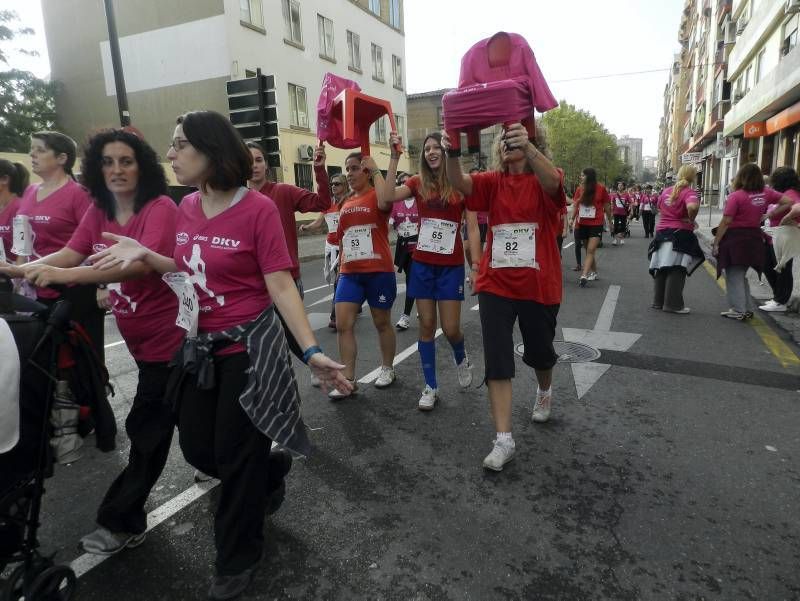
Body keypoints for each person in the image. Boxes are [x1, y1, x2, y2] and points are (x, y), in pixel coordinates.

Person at [88, 111, 351, 599]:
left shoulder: (257, 210)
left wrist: (311, 350)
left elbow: (278, 283)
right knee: (198, 450)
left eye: (180, 144)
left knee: (233, 453)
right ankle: (269, 470)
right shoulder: (185, 206)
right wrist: (143, 255)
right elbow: (187, 268)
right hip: (197, 347)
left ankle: (236, 557)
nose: (171, 154)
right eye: (171, 144)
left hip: (248, 347)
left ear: (212, 150)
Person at [10, 129, 184, 554]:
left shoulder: (159, 207)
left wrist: (67, 278)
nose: (117, 169)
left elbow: (136, 269)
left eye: (126, 161)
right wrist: (15, 271)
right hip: (142, 345)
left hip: (177, 343)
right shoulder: (99, 209)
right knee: (204, 444)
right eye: (107, 162)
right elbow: (71, 251)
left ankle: (120, 521)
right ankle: (263, 470)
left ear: (141, 165)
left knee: (148, 432)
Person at [445, 122, 565, 471]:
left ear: (534, 143)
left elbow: (555, 185)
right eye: (506, 139)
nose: (509, 143)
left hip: (538, 285)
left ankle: (544, 389)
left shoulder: (546, 177)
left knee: (541, 353)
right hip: (496, 283)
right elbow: (459, 183)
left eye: (518, 138)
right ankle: (503, 439)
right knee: (497, 357)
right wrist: (453, 149)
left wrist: (527, 147)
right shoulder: (491, 182)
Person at [379, 132, 475, 411]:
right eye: (427, 149)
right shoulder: (416, 182)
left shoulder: (459, 184)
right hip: (422, 264)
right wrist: (394, 156)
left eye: (437, 148)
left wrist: (476, 265)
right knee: (426, 325)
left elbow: (471, 226)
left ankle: (461, 356)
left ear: (446, 153)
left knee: (452, 328)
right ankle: (431, 386)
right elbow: (386, 198)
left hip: (451, 266)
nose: (431, 152)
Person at [13, 131, 105, 359]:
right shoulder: (30, 191)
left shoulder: (79, 194)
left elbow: (98, 240)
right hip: (36, 286)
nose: (32, 154)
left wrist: (104, 285)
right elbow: (22, 239)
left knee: (82, 355)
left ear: (62, 158)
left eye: (40, 150)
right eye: (31, 149)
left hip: (74, 289)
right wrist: (18, 273)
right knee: (43, 355)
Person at [246, 141, 331, 357]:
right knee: (264, 345)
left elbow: (322, 203)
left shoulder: (282, 192)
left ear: (267, 165)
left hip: (286, 279)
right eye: (248, 160)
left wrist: (319, 170)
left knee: (292, 336)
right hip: (252, 284)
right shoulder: (236, 199)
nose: (254, 165)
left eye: (259, 160)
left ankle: (317, 364)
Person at [329, 152, 398, 399]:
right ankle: (348, 379)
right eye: (347, 169)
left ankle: (388, 368)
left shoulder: (377, 195)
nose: (349, 173)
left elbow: (386, 204)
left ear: (366, 171)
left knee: (381, 323)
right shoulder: (344, 202)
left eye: (355, 168)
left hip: (378, 271)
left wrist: (378, 168)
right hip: (349, 273)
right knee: (343, 324)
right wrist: (338, 268)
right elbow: (342, 237)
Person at [712, 163, 793, 321]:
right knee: (741, 274)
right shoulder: (766, 192)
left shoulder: (736, 196)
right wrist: (769, 214)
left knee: (734, 274)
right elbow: (788, 201)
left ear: (741, 177)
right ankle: (746, 308)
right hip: (755, 239)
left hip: (736, 239)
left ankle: (738, 309)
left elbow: (726, 221)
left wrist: (716, 242)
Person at [647, 165, 705, 314]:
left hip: (661, 233)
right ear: (693, 177)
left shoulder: (666, 191)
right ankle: (673, 304)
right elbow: (692, 206)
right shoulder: (689, 192)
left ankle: (658, 302)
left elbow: (659, 208)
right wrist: (691, 219)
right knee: (677, 268)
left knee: (661, 267)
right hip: (680, 234)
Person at [299, 173, 350, 329]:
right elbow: (319, 222)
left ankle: (335, 316)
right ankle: (355, 303)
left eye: (337, 184)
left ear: (344, 185)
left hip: (346, 246)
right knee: (336, 277)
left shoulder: (349, 202)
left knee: (339, 280)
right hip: (331, 246)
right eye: (332, 184)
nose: (333, 187)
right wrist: (307, 227)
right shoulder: (327, 204)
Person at [759, 167, 800, 312]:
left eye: (774, 178)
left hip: (784, 237)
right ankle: (778, 297)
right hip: (773, 238)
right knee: (767, 265)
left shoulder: (791, 193)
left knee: (782, 268)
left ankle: (780, 301)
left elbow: (798, 208)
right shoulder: (783, 193)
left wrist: (786, 218)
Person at [387, 171, 419, 331]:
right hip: (402, 245)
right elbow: (388, 225)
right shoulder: (396, 204)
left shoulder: (420, 201)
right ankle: (421, 301)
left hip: (418, 246)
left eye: (408, 182)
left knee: (411, 280)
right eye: (401, 182)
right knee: (410, 277)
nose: (405, 185)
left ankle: (405, 316)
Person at [571, 168, 612, 287]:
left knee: (590, 250)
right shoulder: (579, 189)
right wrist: (571, 220)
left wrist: (610, 221)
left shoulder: (601, 189)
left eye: (583, 175)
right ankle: (594, 271)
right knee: (588, 250)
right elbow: (575, 206)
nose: (580, 177)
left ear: (589, 176)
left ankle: (584, 275)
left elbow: (607, 207)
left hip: (596, 224)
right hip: (582, 223)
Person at [0, 160, 29, 264]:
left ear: (4, 179)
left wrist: (16, 278)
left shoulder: (20, 209)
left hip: (12, 275)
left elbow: (22, 253)